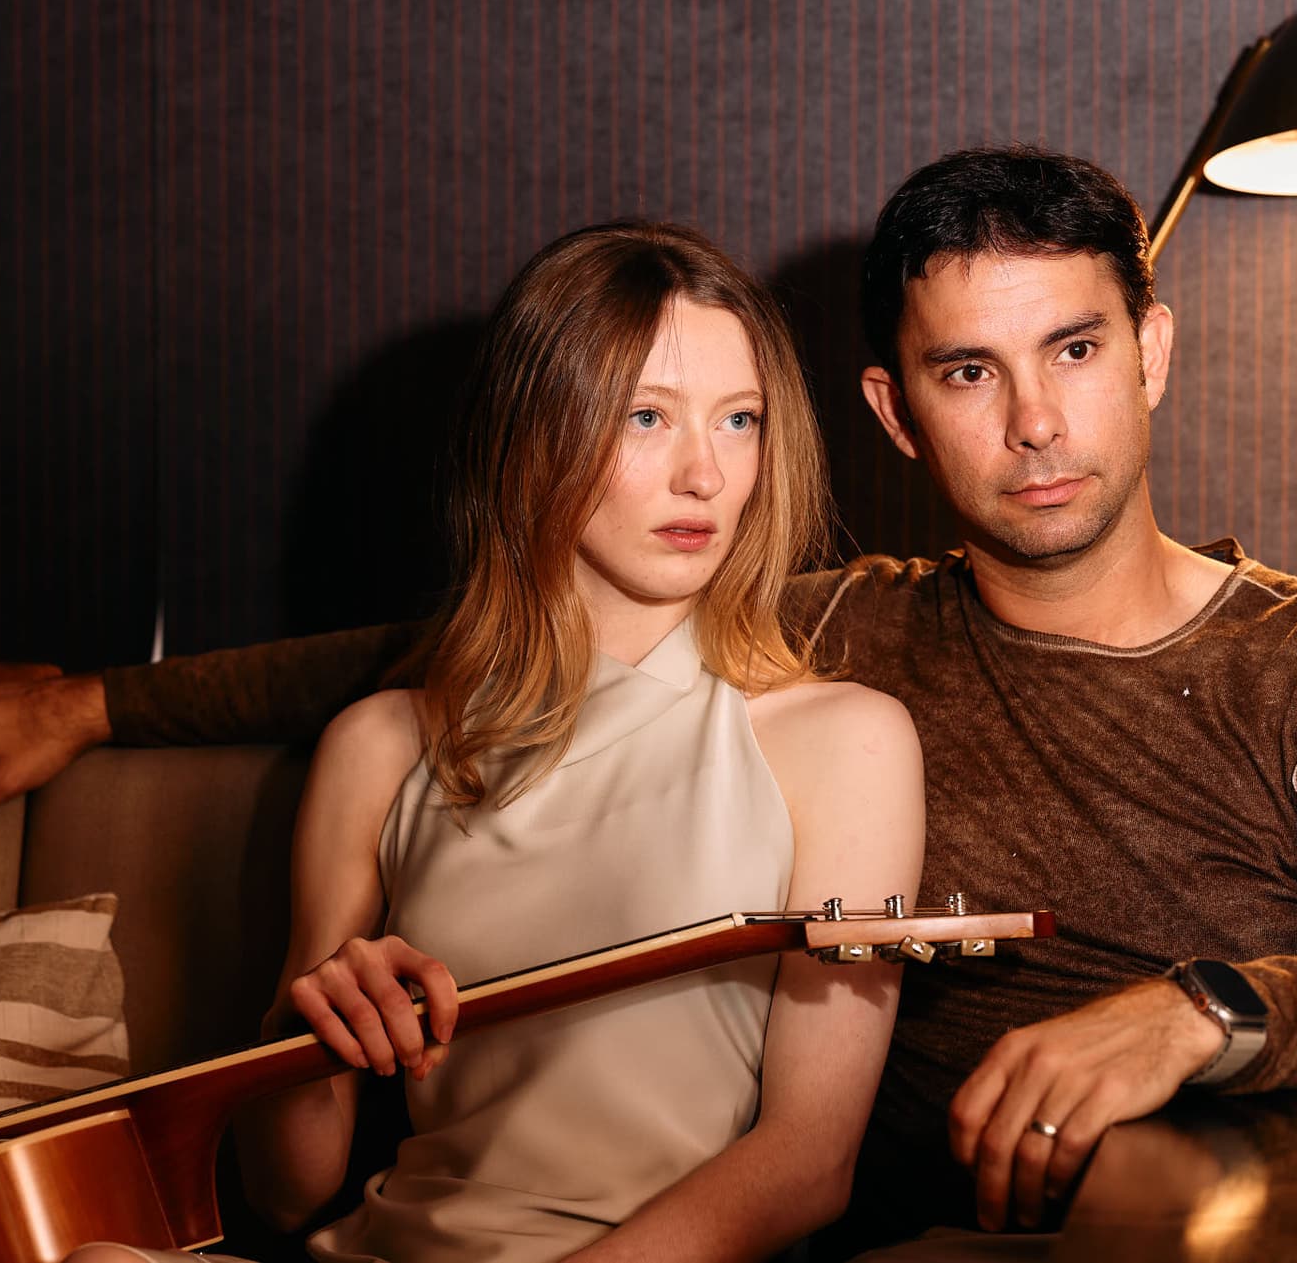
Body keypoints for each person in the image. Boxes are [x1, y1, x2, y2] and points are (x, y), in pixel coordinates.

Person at [0, 147, 1297, 1247]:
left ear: (1150, 350)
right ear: (895, 409)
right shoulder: (844, 629)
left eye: (1075, 351)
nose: (1036, 423)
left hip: (1187, 1196)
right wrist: (105, 710)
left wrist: (1194, 1014)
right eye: (967, 372)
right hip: (897, 1226)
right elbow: (461, 666)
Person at [47, 222, 922, 1262]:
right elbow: (289, 1193)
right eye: (646, 417)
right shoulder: (380, 745)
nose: (707, 475)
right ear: (534, 436)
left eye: (741, 421)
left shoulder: (844, 742)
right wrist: (313, 1025)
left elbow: (808, 1164)